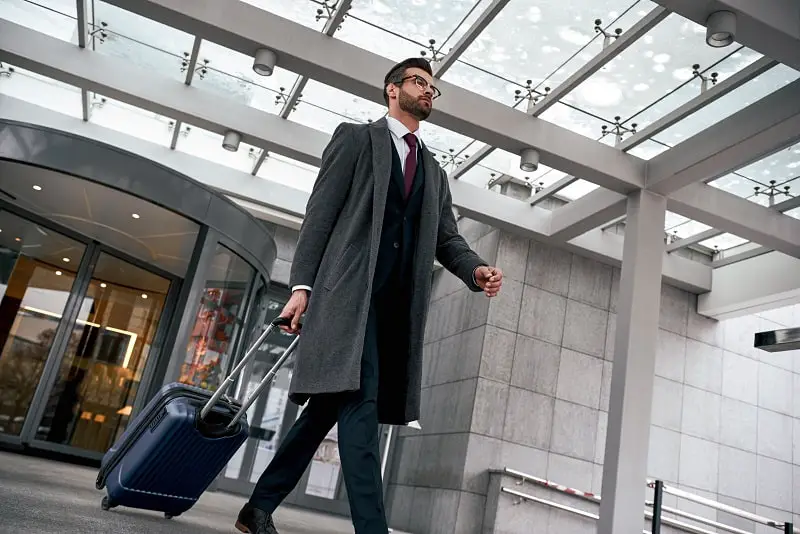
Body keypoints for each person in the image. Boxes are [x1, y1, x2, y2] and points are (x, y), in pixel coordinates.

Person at [235, 57, 504, 534]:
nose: (427, 92)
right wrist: (302, 287)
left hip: (395, 310)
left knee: (324, 412)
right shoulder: (356, 140)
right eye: (419, 83)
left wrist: (475, 270)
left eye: (432, 89)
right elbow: (320, 214)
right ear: (391, 89)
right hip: (347, 301)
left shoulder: (434, 171)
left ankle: (257, 507)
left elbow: (447, 237)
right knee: (360, 404)